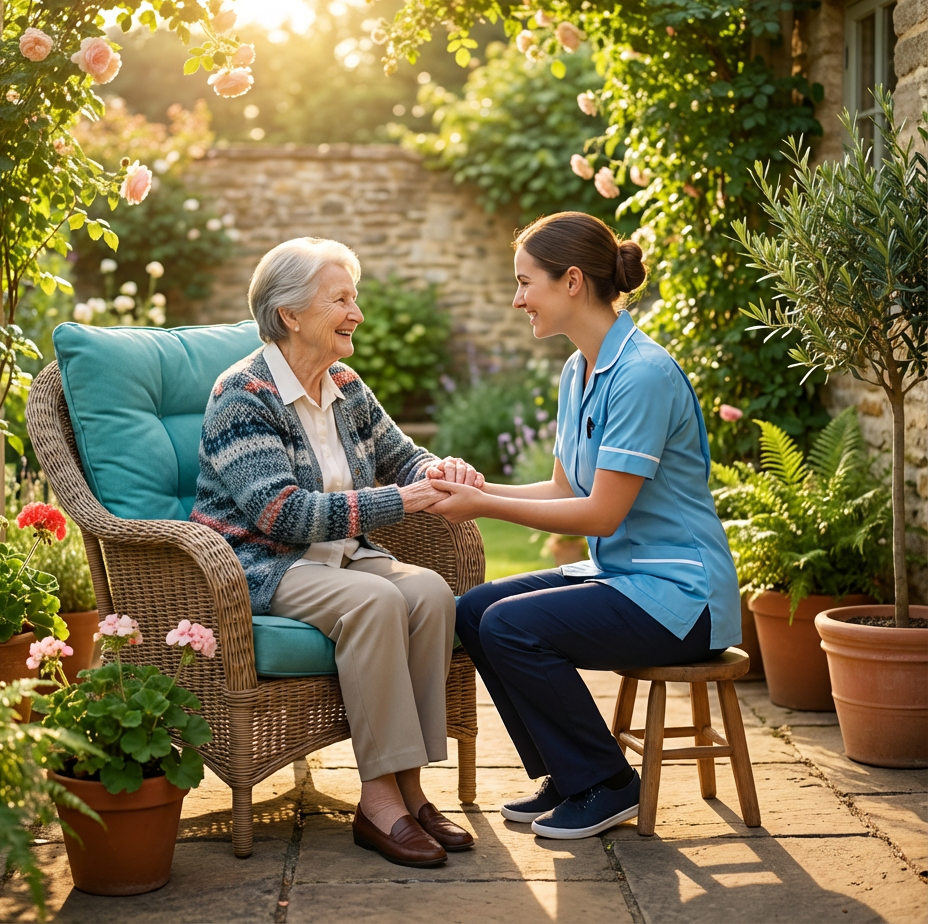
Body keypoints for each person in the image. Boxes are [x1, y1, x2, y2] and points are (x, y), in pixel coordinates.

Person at [428, 211, 741, 840]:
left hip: (684, 599)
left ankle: (607, 782)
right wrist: (478, 487)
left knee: (512, 626)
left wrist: (485, 509)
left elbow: (601, 513)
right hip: (626, 579)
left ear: (572, 281)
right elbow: (565, 488)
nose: (517, 299)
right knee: (475, 611)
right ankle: (571, 774)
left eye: (524, 283)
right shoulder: (581, 369)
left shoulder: (642, 374)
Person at [191, 237, 481, 868]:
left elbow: (405, 457)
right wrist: (404, 501)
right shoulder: (242, 395)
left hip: (342, 555)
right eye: (340, 300)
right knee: (376, 601)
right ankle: (378, 806)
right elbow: (284, 515)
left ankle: (411, 791)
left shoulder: (343, 382)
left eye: (355, 297)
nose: (356, 313)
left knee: (431, 592)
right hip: (262, 563)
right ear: (290, 314)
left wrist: (440, 469)